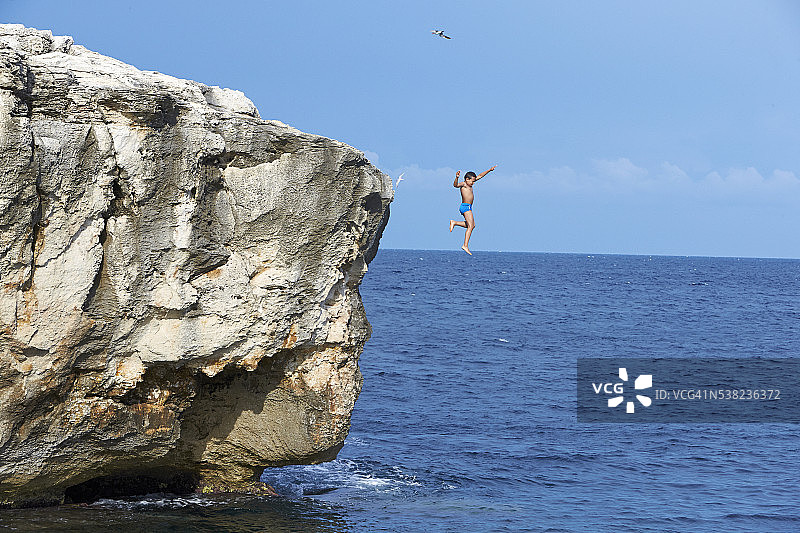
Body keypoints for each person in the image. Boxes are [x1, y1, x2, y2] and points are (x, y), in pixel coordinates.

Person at [449, 165, 496, 255]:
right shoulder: (464, 184)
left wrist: (489, 170)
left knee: (472, 225)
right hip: (465, 207)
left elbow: (480, 176)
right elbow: (455, 185)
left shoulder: (470, 183)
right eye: (472, 181)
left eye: (474, 181)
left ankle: (454, 222)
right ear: (467, 179)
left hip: (469, 207)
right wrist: (457, 177)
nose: (473, 183)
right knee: (470, 226)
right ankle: (465, 245)